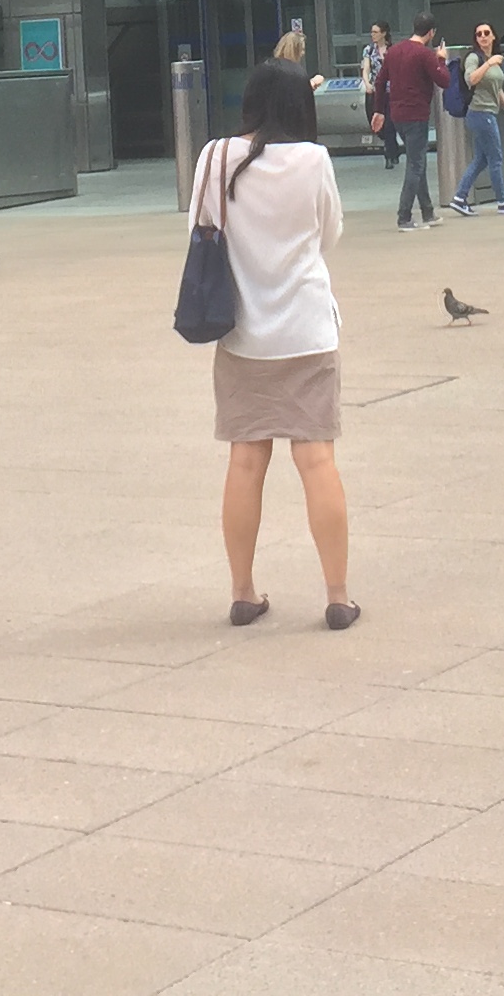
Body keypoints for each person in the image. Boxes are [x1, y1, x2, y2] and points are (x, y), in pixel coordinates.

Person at [191, 58, 354, 631]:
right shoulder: (314, 160)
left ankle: (242, 592)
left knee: (245, 460)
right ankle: (336, 596)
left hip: (242, 332)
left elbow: (201, 227)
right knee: (316, 459)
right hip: (307, 330)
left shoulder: (215, 157)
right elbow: (329, 233)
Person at [382, 16, 448, 232]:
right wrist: (441, 60)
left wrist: (377, 111)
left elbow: (380, 81)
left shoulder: (394, 52)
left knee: (415, 160)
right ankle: (404, 216)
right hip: (416, 114)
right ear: (431, 32)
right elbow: (444, 81)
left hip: (397, 114)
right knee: (416, 164)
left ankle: (427, 211)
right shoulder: (425, 54)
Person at [450, 23, 504, 214]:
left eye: (486, 33)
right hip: (480, 113)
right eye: (479, 34)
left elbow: (496, 86)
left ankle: (460, 197)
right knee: (495, 158)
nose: (483, 37)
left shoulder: (491, 58)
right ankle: (503, 201)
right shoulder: (475, 58)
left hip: (488, 112)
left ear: (494, 36)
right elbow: (471, 79)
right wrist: (489, 63)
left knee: (481, 159)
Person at [361, 23, 399, 171]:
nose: (373, 35)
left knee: (390, 122)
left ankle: (389, 155)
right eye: (372, 32)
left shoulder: (392, 50)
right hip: (377, 90)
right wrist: (367, 83)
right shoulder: (369, 50)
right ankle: (392, 146)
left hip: (392, 90)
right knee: (377, 123)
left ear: (384, 33)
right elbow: (366, 69)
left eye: (376, 32)